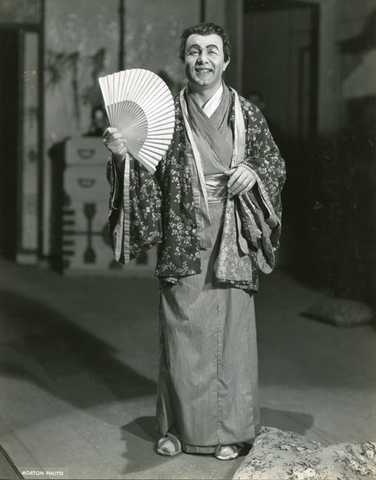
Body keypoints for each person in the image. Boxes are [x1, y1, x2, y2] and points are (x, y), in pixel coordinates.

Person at [103, 22, 285, 461]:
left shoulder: (246, 113)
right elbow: (148, 176)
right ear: (184, 59)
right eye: (193, 51)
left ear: (226, 60)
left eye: (211, 51)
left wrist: (254, 172)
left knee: (232, 337)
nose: (202, 59)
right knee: (181, 331)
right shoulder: (167, 116)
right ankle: (175, 429)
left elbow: (273, 161)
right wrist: (122, 156)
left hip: (233, 233)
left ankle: (233, 433)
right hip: (184, 231)